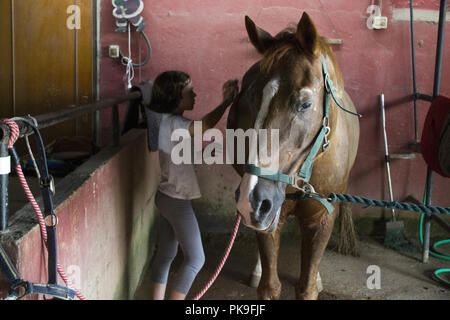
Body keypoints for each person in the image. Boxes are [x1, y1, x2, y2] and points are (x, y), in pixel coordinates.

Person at [149, 70, 239, 300]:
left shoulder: (167, 123)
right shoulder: (175, 123)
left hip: (166, 197)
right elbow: (204, 125)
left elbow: (184, 153)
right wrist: (226, 102)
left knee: (166, 255)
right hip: (177, 202)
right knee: (196, 259)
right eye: (189, 91)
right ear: (175, 96)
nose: (195, 94)